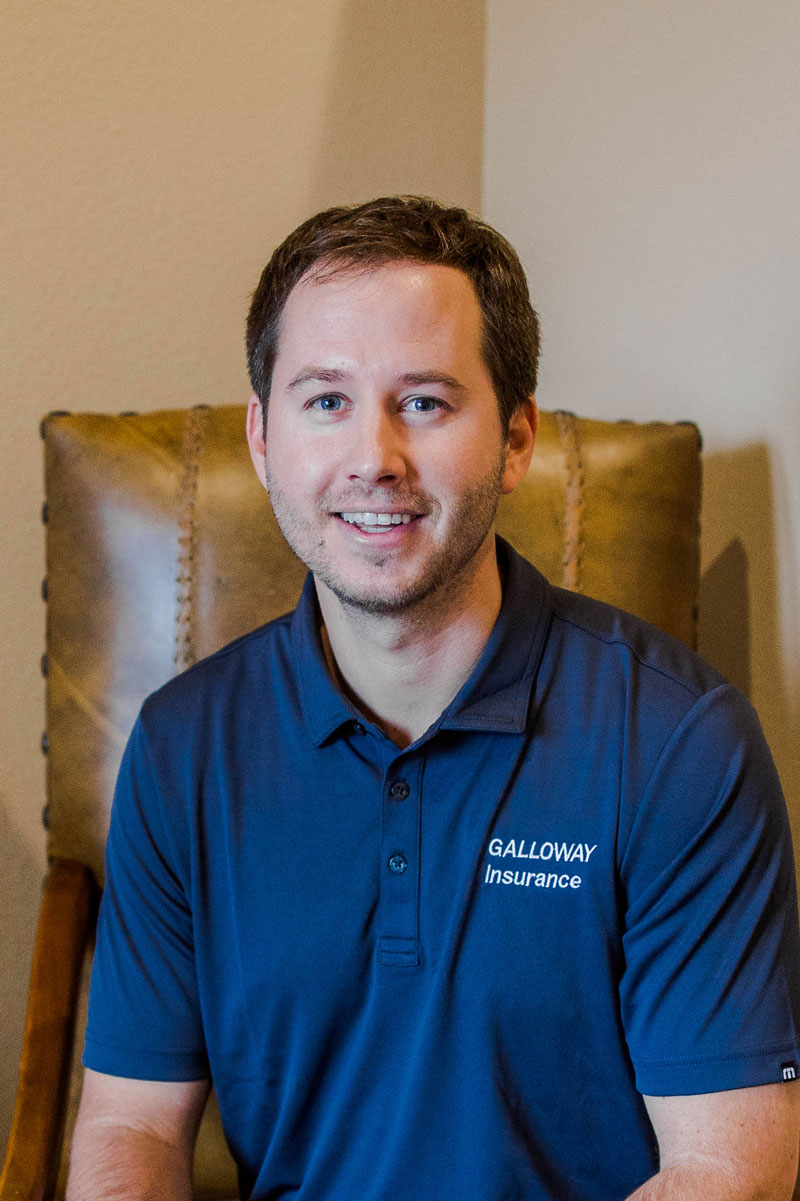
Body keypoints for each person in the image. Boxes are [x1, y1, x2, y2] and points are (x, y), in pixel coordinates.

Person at [67, 196, 800, 1201]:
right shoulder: (183, 745)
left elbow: (729, 1168)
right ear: (262, 438)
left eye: (424, 401)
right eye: (324, 399)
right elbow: (130, 1128)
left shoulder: (677, 741)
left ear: (513, 439)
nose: (374, 456)